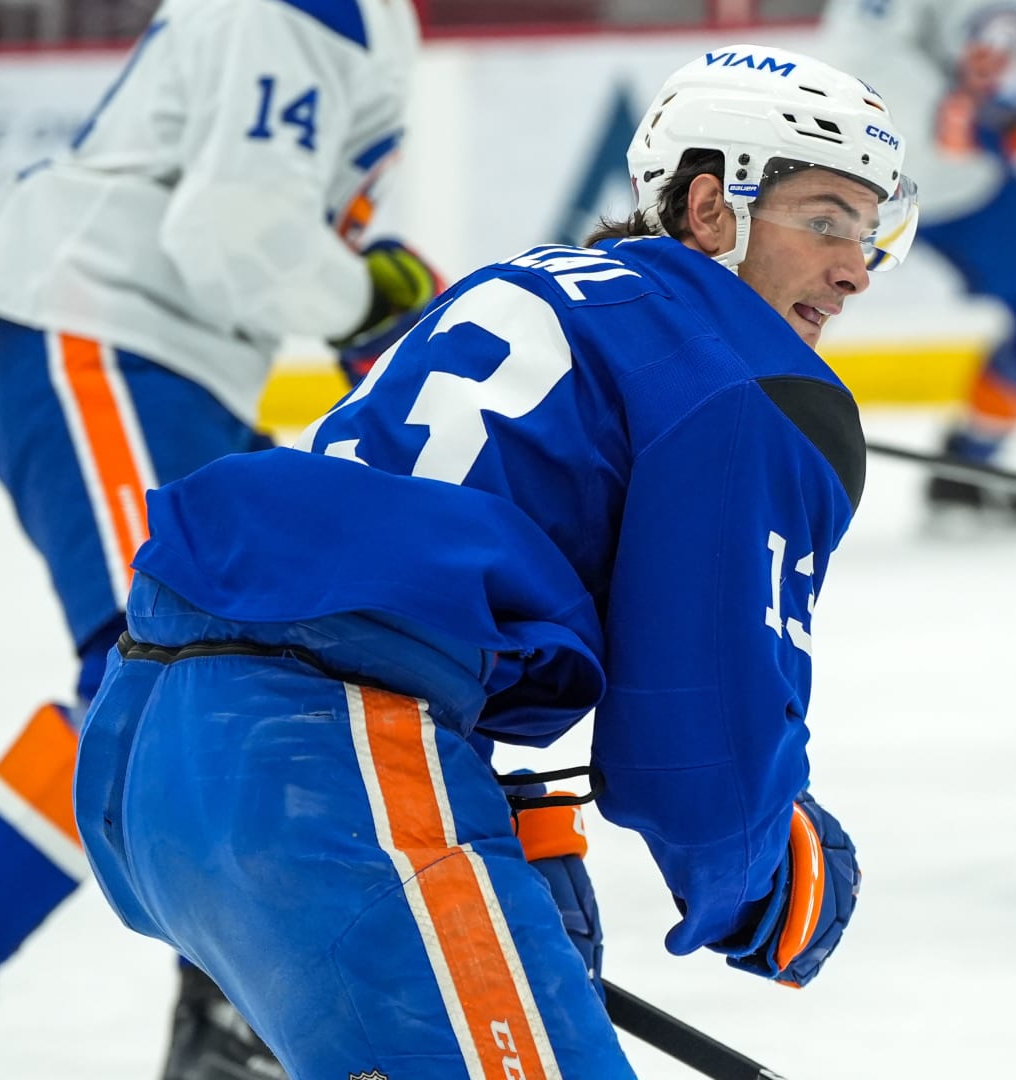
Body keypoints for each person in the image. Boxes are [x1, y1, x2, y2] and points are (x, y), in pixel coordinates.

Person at [68, 43, 919, 1077]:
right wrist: (768, 879)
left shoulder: (531, 284)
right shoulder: (750, 381)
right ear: (710, 208)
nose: (855, 269)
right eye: (826, 220)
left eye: (869, 232)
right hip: (335, 765)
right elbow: (700, 738)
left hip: (153, 748)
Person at [0, 0, 438, 1075]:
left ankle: (234, 1018)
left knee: (245, 678)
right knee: (148, 689)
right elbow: (233, 231)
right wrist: (361, 296)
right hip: (102, 330)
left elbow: (258, 207)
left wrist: (364, 287)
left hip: (174, 359)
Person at [820, 0, 1016, 528]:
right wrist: (980, 120)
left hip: (966, 182)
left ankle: (968, 469)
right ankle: (715, 453)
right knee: (777, 317)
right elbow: (862, 55)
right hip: (857, 172)